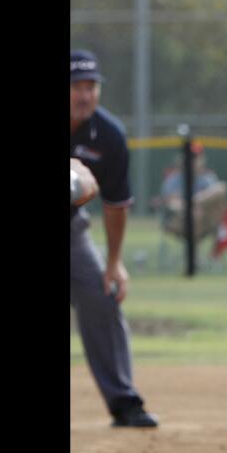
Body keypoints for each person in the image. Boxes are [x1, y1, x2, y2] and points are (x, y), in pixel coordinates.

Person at [69, 50, 158, 428]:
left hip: (72, 230)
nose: (84, 94)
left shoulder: (108, 135)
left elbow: (115, 204)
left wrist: (113, 263)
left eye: (91, 86)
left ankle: (124, 402)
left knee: (101, 295)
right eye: (75, 86)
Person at [158, 142, 227, 256]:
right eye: (188, 157)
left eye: (195, 157)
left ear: (201, 159)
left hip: (206, 221)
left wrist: (193, 202)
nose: (191, 161)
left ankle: (193, 260)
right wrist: (189, 209)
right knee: (194, 214)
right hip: (178, 222)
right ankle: (194, 261)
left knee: (221, 187)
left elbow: (218, 195)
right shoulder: (173, 180)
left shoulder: (207, 178)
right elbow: (171, 204)